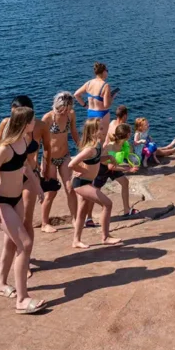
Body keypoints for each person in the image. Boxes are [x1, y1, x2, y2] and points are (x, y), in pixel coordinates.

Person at [0, 103, 46, 314]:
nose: (35, 122)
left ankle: (1, 284)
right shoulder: (4, 148)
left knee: (11, 244)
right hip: (2, 202)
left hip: (17, 199)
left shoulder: (22, 141)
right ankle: (22, 299)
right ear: (25, 122)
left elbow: (26, 167)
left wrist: (38, 188)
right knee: (25, 244)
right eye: (32, 119)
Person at [0, 96, 50, 271]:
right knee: (14, 231)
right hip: (10, 176)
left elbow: (47, 148)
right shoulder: (6, 124)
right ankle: (21, 260)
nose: (13, 117)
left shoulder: (40, 126)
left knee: (27, 221)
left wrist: (44, 171)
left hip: (29, 175)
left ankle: (24, 259)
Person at [70, 118, 123, 249]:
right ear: (93, 132)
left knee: (82, 211)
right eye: (100, 129)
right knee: (107, 204)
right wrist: (82, 170)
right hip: (82, 183)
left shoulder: (98, 145)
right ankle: (105, 237)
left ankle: (76, 240)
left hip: (88, 182)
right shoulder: (89, 149)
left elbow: (97, 160)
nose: (103, 130)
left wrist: (109, 157)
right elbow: (72, 164)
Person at [40, 92, 79, 233]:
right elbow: (41, 142)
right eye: (63, 109)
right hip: (50, 158)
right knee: (51, 192)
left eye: (68, 109)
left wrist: (81, 147)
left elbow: (74, 132)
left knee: (70, 188)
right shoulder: (48, 118)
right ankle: (44, 223)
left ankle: (76, 219)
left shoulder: (71, 115)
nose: (66, 112)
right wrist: (42, 164)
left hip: (65, 155)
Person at [86, 122, 140, 222]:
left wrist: (132, 162)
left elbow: (127, 156)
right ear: (127, 135)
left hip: (114, 167)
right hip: (102, 169)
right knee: (95, 192)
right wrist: (128, 169)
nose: (131, 134)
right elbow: (111, 166)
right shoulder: (111, 147)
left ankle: (126, 210)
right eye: (130, 133)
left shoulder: (125, 144)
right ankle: (88, 218)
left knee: (125, 182)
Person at [74, 62, 118, 135]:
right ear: (103, 72)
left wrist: (85, 106)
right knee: (102, 138)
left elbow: (76, 94)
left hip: (90, 113)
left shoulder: (88, 83)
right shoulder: (105, 85)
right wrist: (112, 97)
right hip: (102, 114)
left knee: (92, 137)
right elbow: (106, 105)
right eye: (107, 71)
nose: (107, 72)